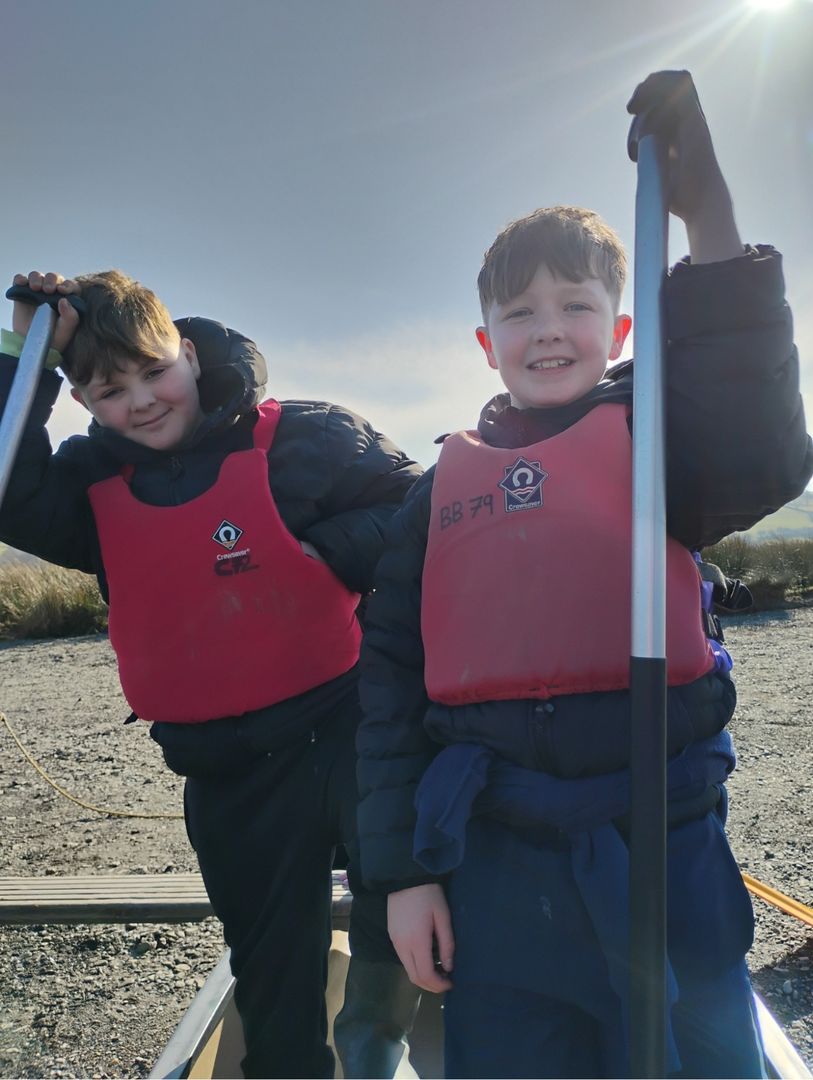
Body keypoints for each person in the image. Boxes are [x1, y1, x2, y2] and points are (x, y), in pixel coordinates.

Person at [355, 70, 813, 1078]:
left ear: (619, 328)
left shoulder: (660, 441)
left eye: (575, 303)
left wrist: (714, 221)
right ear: (487, 343)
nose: (548, 327)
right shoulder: (435, 496)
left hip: (663, 842)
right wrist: (399, 877)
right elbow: (386, 695)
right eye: (519, 313)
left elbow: (762, 447)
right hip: (495, 859)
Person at [0, 269, 423, 1079]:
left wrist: (323, 552)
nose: (143, 400)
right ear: (82, 401)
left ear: (188, 353)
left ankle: (377, 1048)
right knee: (271, 973)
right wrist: (23, 353)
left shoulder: (306, 436)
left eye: (155, 371)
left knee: (395, 900)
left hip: (349, 728)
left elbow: (414, 506)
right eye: (110, 389)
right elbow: (5, 485)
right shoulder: (88, 487)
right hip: (229, 771)